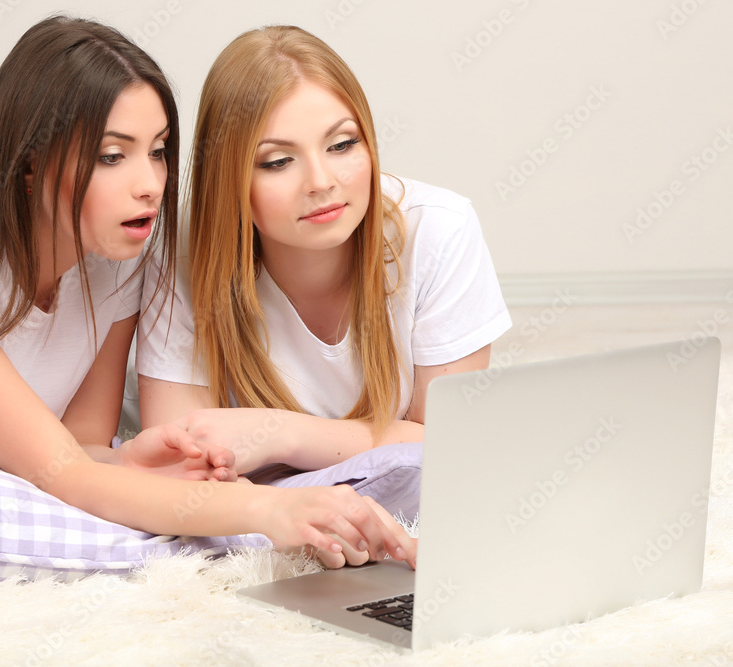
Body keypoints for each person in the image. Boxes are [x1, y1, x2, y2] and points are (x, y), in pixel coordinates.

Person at [0, 16, 414, 571]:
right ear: (29, 164)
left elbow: (83, 446)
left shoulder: (119, 265)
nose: (150, 185)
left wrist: (131, 459)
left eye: (159, 152)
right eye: (113, 156)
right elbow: (70, 476)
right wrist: (272, 509)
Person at [137, 25, 512, 478]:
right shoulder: (182, 254)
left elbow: (453, 444)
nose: (321, 181)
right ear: (227, 178)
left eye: (342, 144)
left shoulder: (439, 229)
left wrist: (280, 433)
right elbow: (179, 462)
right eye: (277, 161)